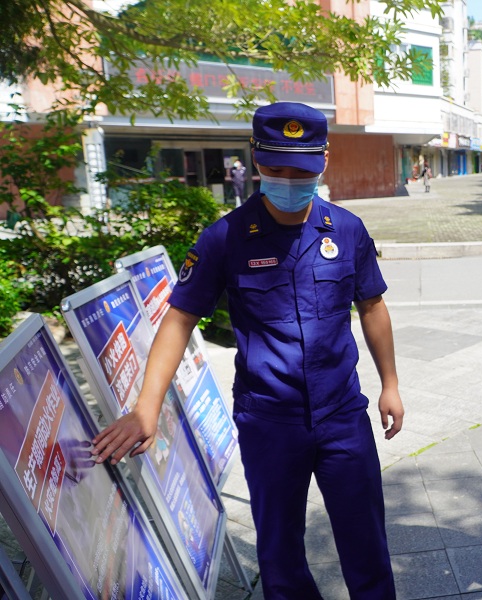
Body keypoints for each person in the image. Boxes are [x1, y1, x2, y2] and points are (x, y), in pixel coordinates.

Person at [91, 102, 404, 599]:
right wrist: (146, 407)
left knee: (366, 542)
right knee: (279, 554)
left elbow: (372, 306)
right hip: (268, 422)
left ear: (324, 159)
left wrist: (390, 384)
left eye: (301, 170)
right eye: (277, 168)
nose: (289, 180)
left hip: (343, 414)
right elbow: (179, 318)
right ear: (256, 158)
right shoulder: (225, 238)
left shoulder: (347, 230)